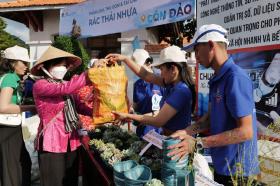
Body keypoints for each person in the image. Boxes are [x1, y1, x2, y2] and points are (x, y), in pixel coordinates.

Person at [168, 24, 260, 185]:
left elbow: (246, 132)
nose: (195, 56)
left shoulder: (235, 78)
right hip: (222, 167)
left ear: (211, 45)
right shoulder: (216, 79)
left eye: (197, 49)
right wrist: (186, 131)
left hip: (239, 173)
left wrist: (198, 144)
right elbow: (209, 120)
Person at [31, 46, 92, 186]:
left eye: (65, 66)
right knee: (55, 182)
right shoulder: (40, 85)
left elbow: (80, 106)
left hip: (72, 139)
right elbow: (66, 89)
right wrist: (90, 72)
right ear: (45, 67)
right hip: (52, 142)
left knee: (71, 180)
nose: (63, 68)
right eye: (60, 65)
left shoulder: (65, 84)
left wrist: (104, 114)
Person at [106, 45, 196, 135]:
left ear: (173, 69)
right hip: (169, 138)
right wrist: (124, 58)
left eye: (162, 69)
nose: (160, 73)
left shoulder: (181, 91)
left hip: (176, 142)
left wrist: (127, 115)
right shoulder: (171, 84)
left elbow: (158, 121)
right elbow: (145, 75)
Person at [0, 45, 36, 186]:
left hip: (9, 128)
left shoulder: (10, 77)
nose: (27, 66)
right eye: (24, 63)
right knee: (13, 168)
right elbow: (3, 107)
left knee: (18, 164)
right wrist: (31, 107)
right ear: (13, 63)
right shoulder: (10, 78)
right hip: (7, 129)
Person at [131, 49, 164, 137]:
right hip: (141, 132)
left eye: (139, 67)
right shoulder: (137, 84)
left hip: (159, 132)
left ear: (149, 63)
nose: (136, 71)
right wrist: (131, 111)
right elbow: (135, 106)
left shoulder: (161, 82)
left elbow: (165, 111)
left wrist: (142, 118)